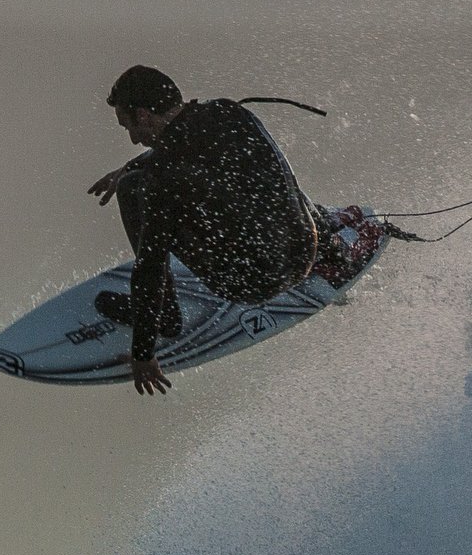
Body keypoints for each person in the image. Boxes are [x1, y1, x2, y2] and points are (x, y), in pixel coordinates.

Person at [87, 65, 323, 396]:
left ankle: (167, 316)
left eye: (128, 126)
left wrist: (144, 353)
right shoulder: (228, 111)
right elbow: (274, 178)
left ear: (142, 115)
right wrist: (135, 164)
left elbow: (151, 266)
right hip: (304, 250)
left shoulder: (164, 176)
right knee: (250, 184)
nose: (133, 139)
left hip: (254, 281)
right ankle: (330, 245)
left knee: (131, 189)